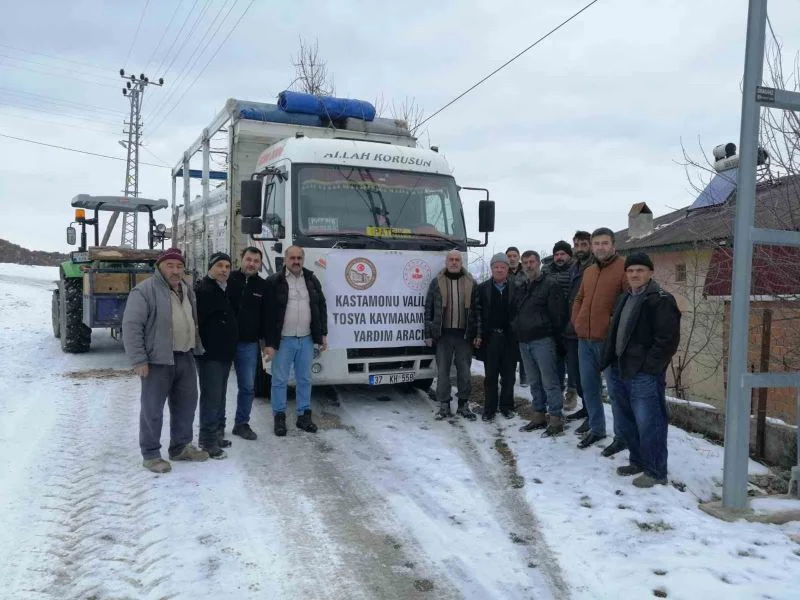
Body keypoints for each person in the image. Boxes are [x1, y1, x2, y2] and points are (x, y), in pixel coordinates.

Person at [122, 247, 209, 473]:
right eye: (170, 265)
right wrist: (139, 359)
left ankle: (180, 447)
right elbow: (132, 327)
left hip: (185, 356)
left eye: (179, 266)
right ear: (159, 267)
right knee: (152, 408)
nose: (175, 270)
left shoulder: (187, 289)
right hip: (157, 360)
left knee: (187, 405)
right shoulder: (144, 291)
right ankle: (151, 454)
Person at [603, 252, 680, 488]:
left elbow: (667, 340)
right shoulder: (625, 298)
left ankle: (656, 471)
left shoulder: (661, 299)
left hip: (643, 373)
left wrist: (649, 368)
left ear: (650, 272)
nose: (635, 274)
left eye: (640, 270)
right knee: (627, 421)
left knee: (650, 422)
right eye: (631, 270)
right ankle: (637, 460)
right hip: (620, 369)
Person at [572, 227, 629, 452]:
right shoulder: (589, 271)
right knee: (589, 387)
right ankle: (597, 429)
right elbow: (579, 298)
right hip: (584, 340)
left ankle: (622, 436)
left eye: (605, 243)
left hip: (608, 342)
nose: (600, 247)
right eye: (597, 244)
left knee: (615, 392)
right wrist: (577, 321)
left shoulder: (624, 268)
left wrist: (612, 327)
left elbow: (627, 303)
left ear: (613, 245)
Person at [263, 245, 328, 437]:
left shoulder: (311, 279)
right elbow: (266, 315)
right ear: (285, 259)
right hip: (283, 341)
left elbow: (321, 306)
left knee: (305, 379)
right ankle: (279, 417)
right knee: (279, 381)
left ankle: (303, 416)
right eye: (292, 258)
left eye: (299, 258)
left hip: (306, 339)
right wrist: (269, 343)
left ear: (303, 259)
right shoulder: (274, 281)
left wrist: (322, 334)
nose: (296, 261)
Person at [515, 250, 567, 436]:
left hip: (543, 340)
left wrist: (556, 340)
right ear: (522, 265)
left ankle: (555, 418)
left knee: (549, 381)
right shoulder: (522, 286)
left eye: (532, 262)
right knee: (534, 381)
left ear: (538, 263)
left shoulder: (550, 285)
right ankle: (538, 415)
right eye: (526, 262)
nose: (529, 265)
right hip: (524, 340)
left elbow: (558, 315)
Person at [194, 252, 238, 460]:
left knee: (219, 396)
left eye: (227, 267)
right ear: (210, 268)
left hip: (224, 353)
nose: (224, 270)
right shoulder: (203, 290)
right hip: (210, 354)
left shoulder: (225, 289)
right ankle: (207, 440)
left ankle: (218, 434)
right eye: (219, 266)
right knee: (211, 398)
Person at [424, 250, 477, 421]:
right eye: (451, 259)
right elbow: (428, 309)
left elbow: (478, 311)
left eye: (457, 259)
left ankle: (463, 404)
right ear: (446, 262)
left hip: (464, 336)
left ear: (461, 262)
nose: (454, 262)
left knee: (464, 372)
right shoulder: (437, 282)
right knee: (443, 372)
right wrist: (428, 333)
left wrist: (477, 334)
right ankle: (444, 405)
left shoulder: (470, 282)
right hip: (443, 335)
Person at [469, 253, 522, 421]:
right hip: (490, 338)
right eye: (496, 266)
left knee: (509, 376)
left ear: (508, 269)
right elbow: (476, 313)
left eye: (503, 267)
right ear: (491, 268)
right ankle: (489, 408)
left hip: (510, 338)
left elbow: (521, 313)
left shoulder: (517, 287)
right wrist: (477, 335)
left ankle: (506, 406)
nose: (499, 269)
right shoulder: (482, 288)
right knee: (490, 376)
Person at [227, 246, 266, 441]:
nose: (251, 264)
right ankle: (215, 426)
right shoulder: (227, 280)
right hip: (223, 344)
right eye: (248, 259)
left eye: (256, 261)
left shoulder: (262, 286)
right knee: (217, 387)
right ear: (241, 259)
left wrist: (268, 343)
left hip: (248, 345)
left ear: (260, 264)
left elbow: (269, 317)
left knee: (247, 387)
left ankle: (241, 424)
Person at [564, 231, 593, 427]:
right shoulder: (574, 266)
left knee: (588, 376)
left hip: (586, 329)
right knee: (576, 374)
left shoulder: (593, 267)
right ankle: (586, 408)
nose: (580, 249)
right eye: (577, 245)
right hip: (571, 328)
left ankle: (593, 416)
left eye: (584, 245)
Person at [543, 240, 574, 406]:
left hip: (571, 320)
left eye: (563, 254)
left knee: (572, 361)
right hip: (553, 321)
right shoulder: (546, 270)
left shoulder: (576, 270)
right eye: (556, 254)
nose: (559, 257)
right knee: (557, 360)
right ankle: (559, 390)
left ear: (569, 255)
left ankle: (572, 391)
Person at [506, 246, 528, 386]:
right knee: (509, 347)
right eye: (509, 256)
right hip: (507, 315)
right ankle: (509, 375)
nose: (512, 258)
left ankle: (525, 375)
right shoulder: (503, 272)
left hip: (524, 314)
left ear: (519, 257)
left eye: (514, 256)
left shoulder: (526, 272)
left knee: (524, 346)